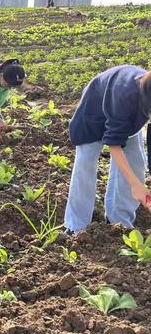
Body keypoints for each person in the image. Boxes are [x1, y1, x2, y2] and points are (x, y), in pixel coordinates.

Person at [64, 65, 151, 235]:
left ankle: (119, 222)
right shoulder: (125, 93)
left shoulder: (146, 95)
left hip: (128, 119)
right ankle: (76, 226)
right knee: (85, 166)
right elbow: (114, 145)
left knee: (136, 164)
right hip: (92, 116)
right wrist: (136, 185)